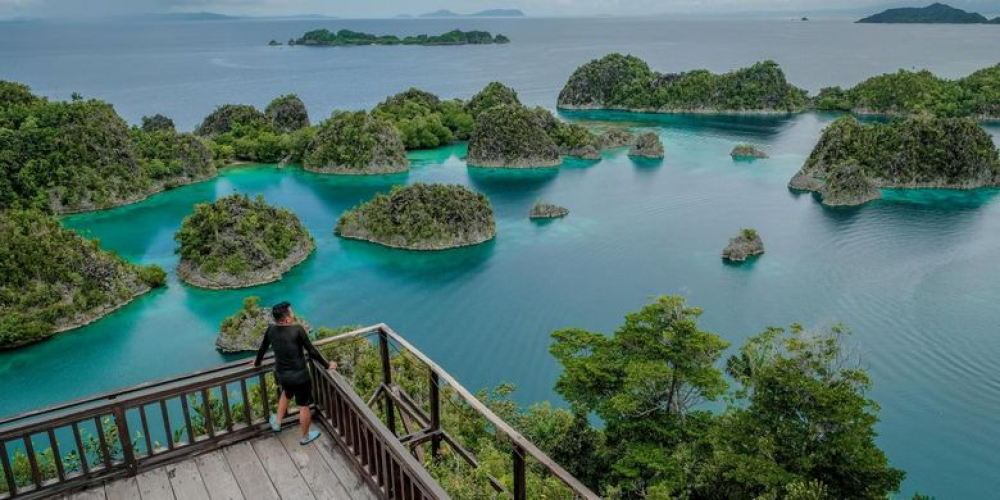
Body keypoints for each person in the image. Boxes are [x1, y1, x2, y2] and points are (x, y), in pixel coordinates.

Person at [253, 301, 336, 445]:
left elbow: (262, 349)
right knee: (304, 406)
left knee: (286, 393)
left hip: (283, 376)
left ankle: (277, 422)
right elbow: (311, 350)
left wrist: (256, 363)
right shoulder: (297, 330)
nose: (293, 314)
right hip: (300, 377)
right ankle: (305, 437)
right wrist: (328, 365)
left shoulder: (271, 330)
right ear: (286, 319)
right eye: (291, 313)